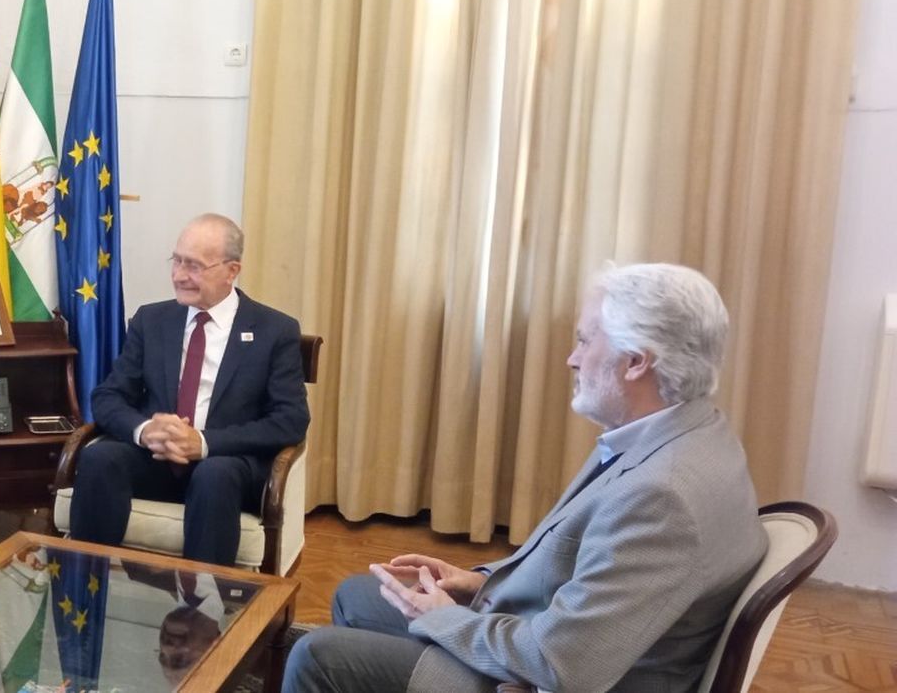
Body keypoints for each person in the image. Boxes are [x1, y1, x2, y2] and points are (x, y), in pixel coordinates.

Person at [284, 263, 769, 693]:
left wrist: (445, 617)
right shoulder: (691, 434)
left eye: (585, 340)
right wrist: (477, 583)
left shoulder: (662, 496)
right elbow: (582, 571)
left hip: (545, 676)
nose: (572, 358)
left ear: (636, 360)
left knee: (318, 658)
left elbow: (563, 664)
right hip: (559, 640)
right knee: (358, 595)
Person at [69, 213, 310, 565]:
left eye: (194, 266)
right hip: (154, 460)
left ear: (231, 271)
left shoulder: (274, 330)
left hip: (226, 467)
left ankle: (203, 597)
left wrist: (204, 442)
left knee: (214, 474)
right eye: (177, 261)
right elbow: (108, 396)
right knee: (99, 457)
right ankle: (86, 583)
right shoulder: (151, 320)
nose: (179, 275)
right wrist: (144, 430)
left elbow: (290, 420)